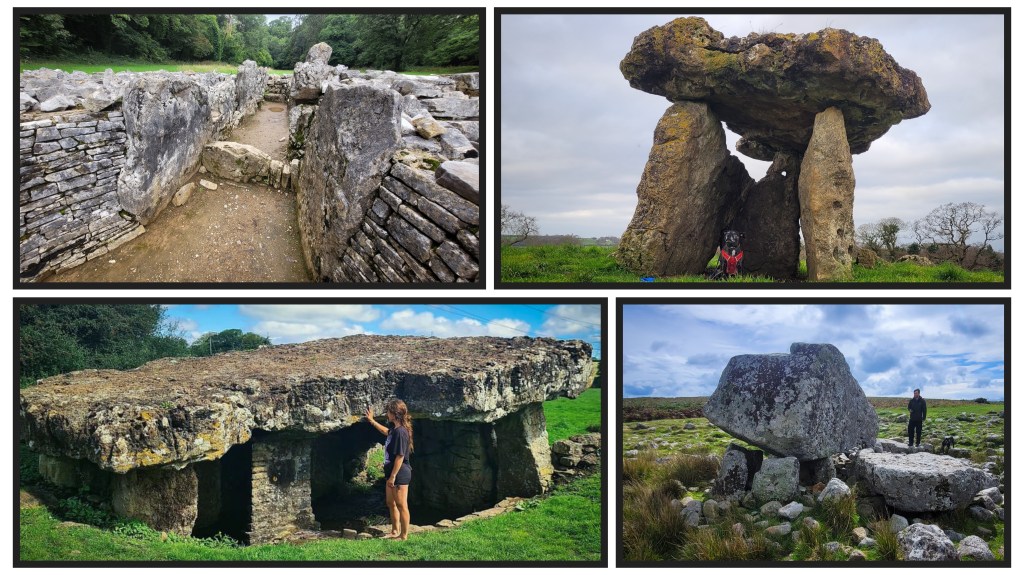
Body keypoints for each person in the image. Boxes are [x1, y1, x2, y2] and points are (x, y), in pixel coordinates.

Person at [365, 399, 413, 540]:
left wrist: (392, 476)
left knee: (401, 504)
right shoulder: (395, 430)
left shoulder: (401, 432)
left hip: (400, 472)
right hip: (392, 472)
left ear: (394, 413)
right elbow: (386, 431)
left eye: (388, 411)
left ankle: (403, 536)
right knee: (390, 503)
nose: (387, 414)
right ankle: (394, 531)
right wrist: (372, 421)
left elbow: (400, 456)